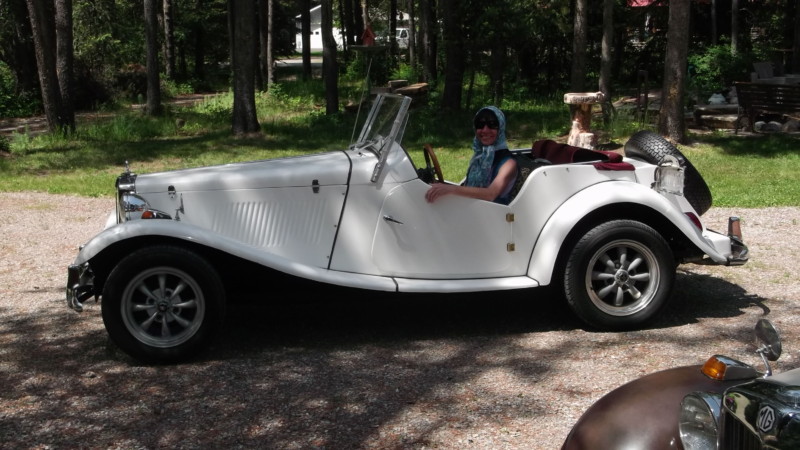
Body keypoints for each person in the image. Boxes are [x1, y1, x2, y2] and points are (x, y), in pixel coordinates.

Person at [425, 106, 518, 205]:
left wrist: (450, 189)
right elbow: (468, 187)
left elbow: (490, 194)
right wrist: (441, 187)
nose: (485, 130)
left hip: (493, 212)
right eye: (480, 125)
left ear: (501, 128)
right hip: (472, 208)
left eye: (492, 125)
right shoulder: (480, 156)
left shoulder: (508, 163)